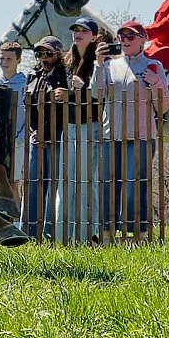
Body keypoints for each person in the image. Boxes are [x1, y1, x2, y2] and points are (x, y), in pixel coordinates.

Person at [92, 20, 168, 239]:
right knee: (108, 185)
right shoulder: (108, 66)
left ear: (143, 39)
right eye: (121, 37)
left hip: (142, 137)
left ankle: (138, 234)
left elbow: (163, 107)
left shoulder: (154, 66)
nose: (125, 41)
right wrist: (97, 64)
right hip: (111, 135)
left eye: (130, 36)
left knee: (137, 185)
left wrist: (155, 83)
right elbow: (97, 94)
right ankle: (107, 234)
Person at [60, 17, 109, 243]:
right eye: (75, 30)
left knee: (88, 182)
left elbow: (103, 96)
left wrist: (78, 92)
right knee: (65, 182)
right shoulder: (67, 61)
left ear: (95, 36)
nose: (78, 34)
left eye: (84, 31)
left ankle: (91, 235)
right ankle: (63, 236)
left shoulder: (101, 61)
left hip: (92, 126)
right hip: (68, 126)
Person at [24, 35, 69, 238]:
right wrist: (34, 130)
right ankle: (31, 231)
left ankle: (51, 232)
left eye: (48, 52)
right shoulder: (33, 75)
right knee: (33, 184)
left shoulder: (65, 75)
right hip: (36, 137)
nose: (44, 57)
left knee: (54, 185)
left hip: (58, 136)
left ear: (58, 54)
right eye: (39, 53)